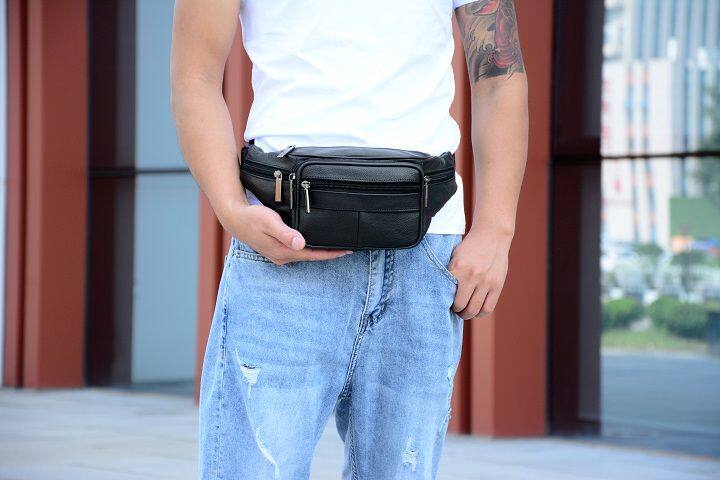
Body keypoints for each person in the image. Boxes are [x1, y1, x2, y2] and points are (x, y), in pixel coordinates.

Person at [171, 0, 527, 478]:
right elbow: (194, 77)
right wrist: (231, 209)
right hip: (285, 246)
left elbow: (499, 77)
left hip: (425, 252)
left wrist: (495, 231)